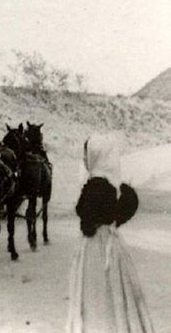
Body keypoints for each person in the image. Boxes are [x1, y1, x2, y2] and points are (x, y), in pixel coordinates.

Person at [66, 131, 155, 333]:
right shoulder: (114, 183)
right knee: (115, 288)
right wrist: (114, 222)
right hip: (111, 244)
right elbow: (129, 201)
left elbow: (85, 214)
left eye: (86, 154)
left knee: (96, 292)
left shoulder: (96, 184)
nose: (84, 159)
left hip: (95, 246)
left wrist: (92, 223)